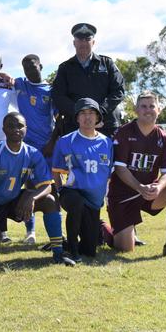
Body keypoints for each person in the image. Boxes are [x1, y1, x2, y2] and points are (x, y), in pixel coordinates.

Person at [0, 112, 75, 266]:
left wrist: (31, 198)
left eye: (20, 126)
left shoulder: (33, 153)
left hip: (13, 201)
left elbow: (47, 186)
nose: (16, 129)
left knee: (49, 200)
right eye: (11, 126)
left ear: (26, 129)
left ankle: (58, 252)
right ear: (4, 129)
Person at [107, 91, 166, 256]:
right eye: (143, 106)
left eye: (152, 106)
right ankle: (103, 229)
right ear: (136, 110)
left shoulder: (163, 138)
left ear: (159, 109)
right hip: (122, 196)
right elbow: (120, 168)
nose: (148, 110)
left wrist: (159, 187)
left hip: (148, 194)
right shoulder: (124, 132)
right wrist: (140, 187)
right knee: (125, 249)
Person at [52, 98, 113, 262]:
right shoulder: (66, 141)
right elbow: (56, 171)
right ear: (77, 118)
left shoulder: (107, 143)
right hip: (72, 193)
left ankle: (66, 243)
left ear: (98, 117)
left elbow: (108, 174)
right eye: (83, 113)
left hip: (94, 201)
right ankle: (72, 250)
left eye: (92, 113)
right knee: (76, 202)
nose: (88, 117)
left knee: (90, 250)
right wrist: (60, 191)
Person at [14, 54, 58, 244]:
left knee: (51, 189)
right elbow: (1, 77)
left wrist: (52, 143)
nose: (29, 70)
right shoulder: (20, 84)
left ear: (41, 66)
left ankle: (56, 234)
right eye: (25, 68)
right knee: (30, 188)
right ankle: (30, 232)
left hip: (47, 148)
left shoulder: (51, 90)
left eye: (32, 66)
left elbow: (60, 119)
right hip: (27, 149)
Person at [52, 23, 125, 137]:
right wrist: (80, 113)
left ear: (93, 42)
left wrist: (98, 112)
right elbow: (58, 96)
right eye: (80, 39)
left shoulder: (107, 64)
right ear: (74, 43)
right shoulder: (65, 68)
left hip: (106, 126)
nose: (84, 42)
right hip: (75, 127)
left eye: (87, 39)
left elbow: (118, 91)